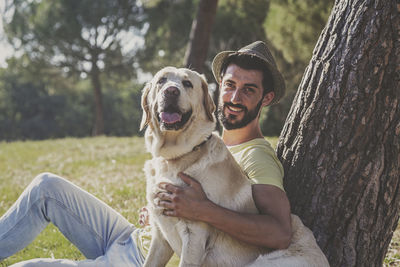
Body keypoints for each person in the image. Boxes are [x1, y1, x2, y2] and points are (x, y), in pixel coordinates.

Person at [0, 41, 290, 266]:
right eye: (229, 86)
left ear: (266, 98)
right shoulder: (204, 142)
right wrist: (161, 212)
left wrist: (201, 210)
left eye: (248, 90)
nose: (235, 97)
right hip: (133, 236)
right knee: (46, 187)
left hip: (139, 260)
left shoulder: (256, 156)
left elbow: (279, 233)